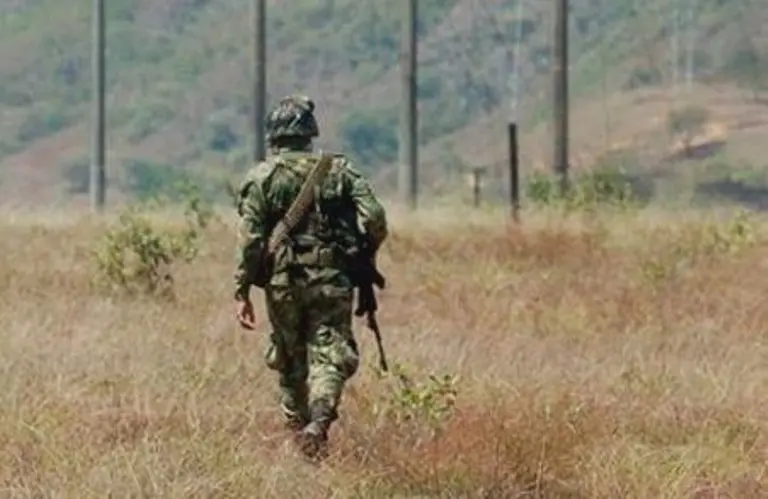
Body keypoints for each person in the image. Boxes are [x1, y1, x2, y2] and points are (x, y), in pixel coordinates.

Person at [232, 95, 388, 459]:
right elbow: (376, 217)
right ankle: (318, 423)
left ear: (274, 136)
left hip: (283, 282)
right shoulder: (340, 170)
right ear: (309, 133)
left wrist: (241, 290)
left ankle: (304, 446)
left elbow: (250, 241)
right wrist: (365, 251)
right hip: (333, 279)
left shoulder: (261, 178)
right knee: (330, 353)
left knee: (289, 358)